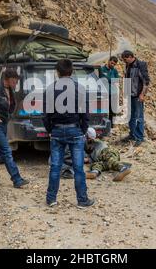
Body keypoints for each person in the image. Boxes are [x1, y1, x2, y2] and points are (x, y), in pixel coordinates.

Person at [43, 59, 95, 208]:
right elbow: (85, 114)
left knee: (55, 167)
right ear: (71, 72)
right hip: (75, 130)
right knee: (78, 168)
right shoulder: (79, 88)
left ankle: (51, 199)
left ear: (57, 72)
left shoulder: (50, 89)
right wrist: (83, 130)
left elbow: (45, 115)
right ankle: (82, 200)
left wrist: (50, 131)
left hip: (57, 130)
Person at [121, 50, 150, 147]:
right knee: (131, 116)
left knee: (139, 117)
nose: (124, 61)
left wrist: (142, 95)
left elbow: (146, 82)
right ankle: (132, 134)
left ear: (130, 56)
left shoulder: (140, 65)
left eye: (125, 59)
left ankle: (139, 137)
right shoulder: (128, 65)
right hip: (130, 95)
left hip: (137, 96)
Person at [100, 56, 120, 125]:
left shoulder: (114, 71)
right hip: (104, 93)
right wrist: (110, 80)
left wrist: (109, 79)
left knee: (112, 110)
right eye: (112, 63)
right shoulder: (102, 69)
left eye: (114, 64)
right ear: (109, 61)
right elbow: (102, 80)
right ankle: (102, 123)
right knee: (103, 109)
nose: (113, 65)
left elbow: (117, 80)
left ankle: (111, 124)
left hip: (113, 93)